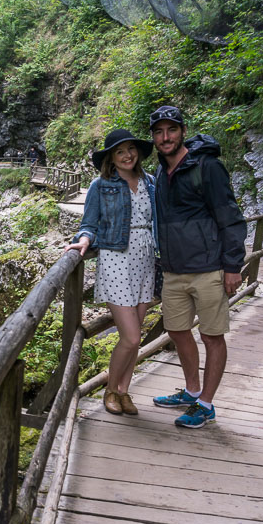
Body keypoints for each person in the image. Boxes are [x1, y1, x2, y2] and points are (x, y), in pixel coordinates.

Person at [148, 105, 246, 429]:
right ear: (154, 137)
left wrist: (233, 265)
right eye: (159, 132)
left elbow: (229, 216)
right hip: (174, 270)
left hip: (208, 267)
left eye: (171, 130)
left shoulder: (207, 166)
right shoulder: (161, 172)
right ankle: (191, 391)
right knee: (176, 330)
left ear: (182, 131)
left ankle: (206, 404)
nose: (165, 137)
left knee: (212, 336)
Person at [66, 128, 157, 416]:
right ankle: (109, 389)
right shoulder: (101, 185)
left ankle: (123, 391)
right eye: (120, 151)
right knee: (129, 337)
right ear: (111, 158)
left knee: (137, 335)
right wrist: (83, 240)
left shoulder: (150, 182)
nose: (127, 155)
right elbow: (89, 223)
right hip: (117, 259)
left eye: (131, 149)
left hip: (146, 260)